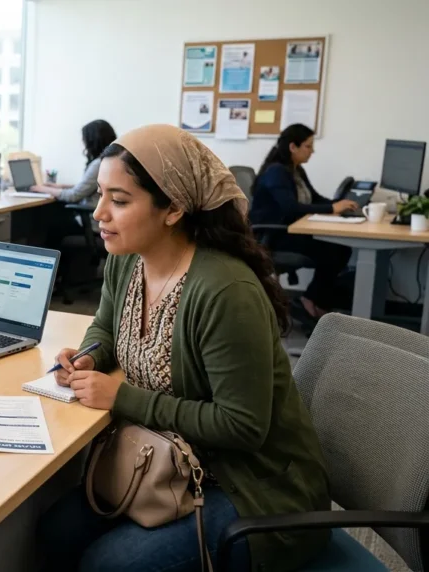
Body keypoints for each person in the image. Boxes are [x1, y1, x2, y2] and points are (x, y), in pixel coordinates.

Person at [36, 125, 330, 572]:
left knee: (107, 565)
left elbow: (243, 425)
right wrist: (90, 355)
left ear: (173, 208)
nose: (99, 213)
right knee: (53, 533)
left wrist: (122, 398)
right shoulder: (127, 261)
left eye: (119, 200)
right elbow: (105, 326)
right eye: (100, 194)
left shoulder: (224, 291)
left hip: (252, 489)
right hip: (165, 460)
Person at [250, 123, 356, 322]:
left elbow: (315, 199)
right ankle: (312, 301)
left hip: (292, 232)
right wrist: (332, 209)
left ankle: (315, 301)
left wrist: (342, 204)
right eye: (308, 146)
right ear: (293, 147)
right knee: (336, 251)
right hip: (275, 236)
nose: (312, 151)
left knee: (340, 249)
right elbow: (291, 208)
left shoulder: (296, 170)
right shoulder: (276, 172)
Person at [32, 119, 117, 204]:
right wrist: (60, 186)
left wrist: (41, 189)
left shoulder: (98, 164)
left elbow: (74, 195)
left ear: (92, 141)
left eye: (84, 139)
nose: (83, 143)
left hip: (90, 213)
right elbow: (86, 188)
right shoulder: (111, 160)